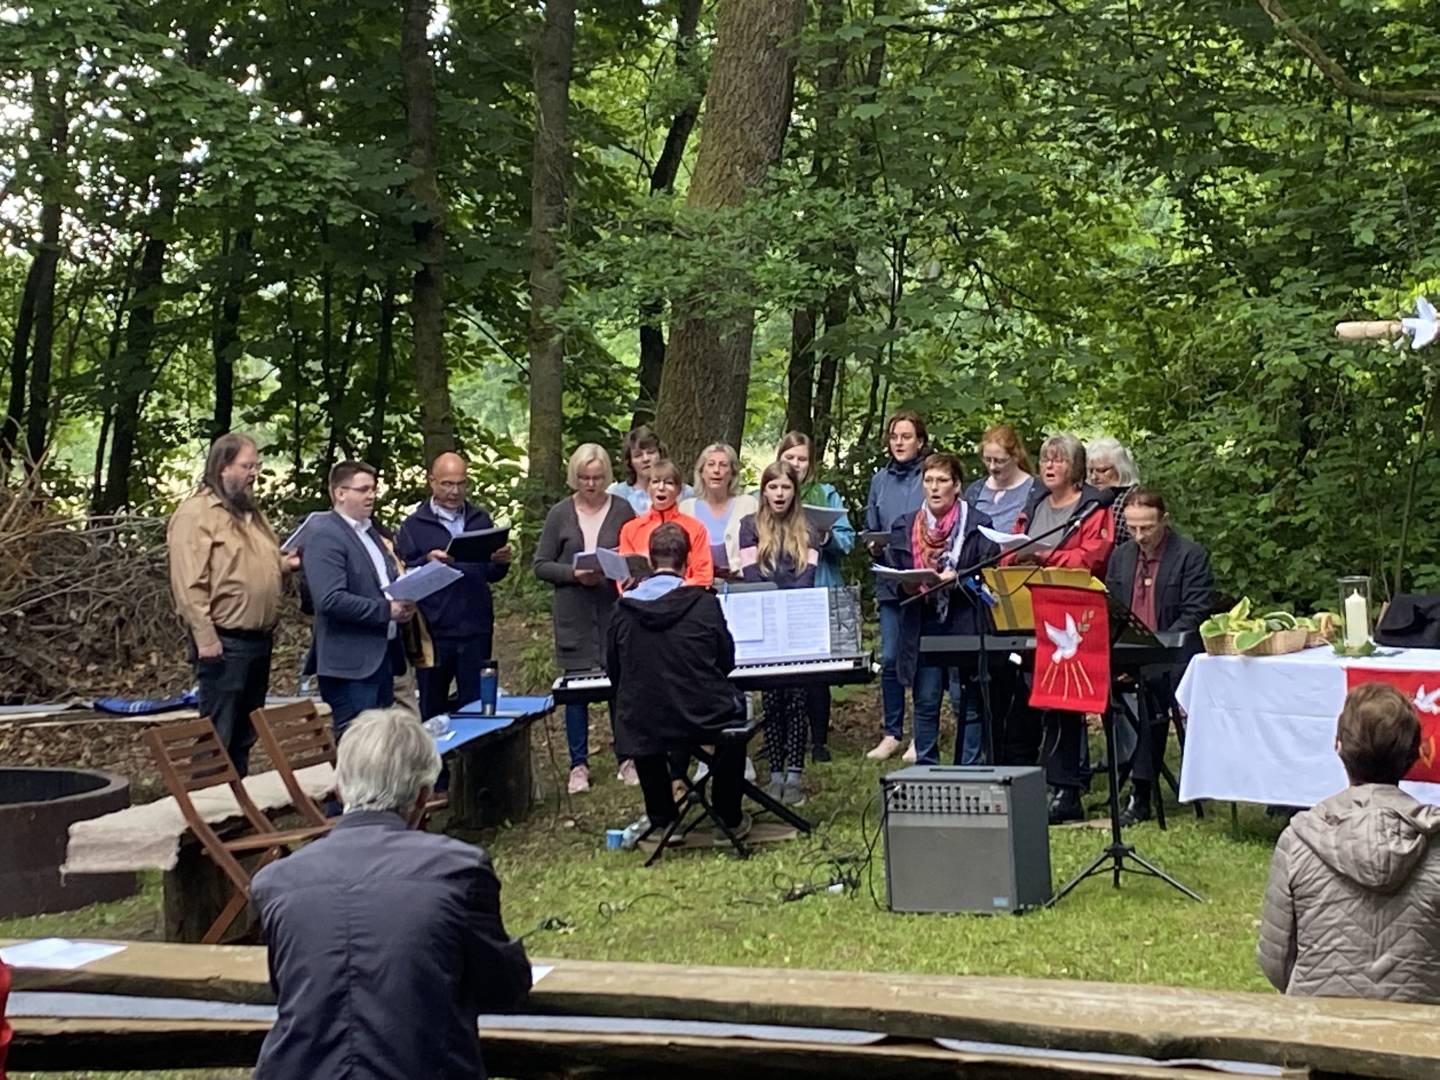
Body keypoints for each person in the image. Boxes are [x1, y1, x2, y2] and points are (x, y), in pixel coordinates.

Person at [251, 707, 531, 1078]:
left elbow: (290, 986)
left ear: (339, 791)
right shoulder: (459, 871)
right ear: (422, 797)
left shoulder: (276, 883)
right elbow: (503, 986)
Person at [1258, 683, 1440, 1004]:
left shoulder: (1299, 841)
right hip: (1424, 1033)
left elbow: (1277, 962)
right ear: (1415, 754)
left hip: (1320, 1030)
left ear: (1338, 746)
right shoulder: (1434, 841)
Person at [606, 524, 751, 841]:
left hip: (646, 719)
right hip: (704, 715)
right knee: (735, 718)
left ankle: (664, 819)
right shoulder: (704, 603)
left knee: (639, 717)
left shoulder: (623, 609)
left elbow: (614, 670)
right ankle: (728, 817)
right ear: (687, 562)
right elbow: (726, 661)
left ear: (650, 560)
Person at [167, 432, 298, 776]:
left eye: (257, 465)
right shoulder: (197, 514)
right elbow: (188, 581)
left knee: (245, 732)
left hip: (259, 638)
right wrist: (204, 635)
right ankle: (208, 813)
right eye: (247, 465)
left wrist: (285, 565)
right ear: (223, 467)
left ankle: (236, 809)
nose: (254, 472)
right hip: (224, 642)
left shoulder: (249, 512)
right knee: (217, 733)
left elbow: (251, 563)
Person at [1002, 434, 1115, 823]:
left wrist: (1048, 556)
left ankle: (1067, 788)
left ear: (1076, 468)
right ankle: (1028, 780)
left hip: (1074, 617)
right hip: (1030, 610)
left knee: (1064, 700)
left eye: (1059, 461)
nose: (1049, 467)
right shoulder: (1034, 505)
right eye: (1046, 460)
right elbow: (1012, 550)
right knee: (1023, 695)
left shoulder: (1093, 509)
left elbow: (1093, 557)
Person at [1103, 487, 1213, 824]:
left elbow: (1194, 614)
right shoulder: (1121, 556)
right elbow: (1110, 609)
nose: (1140, 536)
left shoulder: (1189, 555)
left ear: (1164, 520)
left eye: (1147, 528)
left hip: (1172, 658)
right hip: (1126, 652)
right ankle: (1065, 787)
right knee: (1065, 681)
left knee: (1151, 694)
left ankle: (1140, 791)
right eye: (1133, 528)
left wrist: (1154, 647)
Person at [533, 444, 635, 795]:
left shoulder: (622, 509)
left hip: (612, 607)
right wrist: (573, 574)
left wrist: (617, 569)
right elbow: (541, 564)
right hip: (573, 611)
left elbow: (634, 555)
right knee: (576, 691)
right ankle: (578, 765)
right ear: (574, 477)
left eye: (597, 478)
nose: (591, 484)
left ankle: (628, 756)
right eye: (584, 478)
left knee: (619, 685)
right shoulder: (560, 513)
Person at [886, 453, 1000, 766]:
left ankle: (970, 767)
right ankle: (926, 767)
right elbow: (894, 574)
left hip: (964, 620)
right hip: (923, 621)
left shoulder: (979, 525)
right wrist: (907, 584)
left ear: (957, 486)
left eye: (942, 481)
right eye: (929, 481)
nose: (935, 488)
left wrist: (958, 579)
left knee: (967, 700)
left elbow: (988, 574)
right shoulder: (906, 525)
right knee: (925, 698)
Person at [302, 461, 416, 738]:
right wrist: (386, 610)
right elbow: (330, 599)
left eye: (373, 489)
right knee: (359, 747)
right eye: (363, 489)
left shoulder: (370, 533)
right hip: (350, 664)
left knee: (381, 748)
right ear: (340, 493)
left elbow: (382, 584)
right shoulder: (326, 536)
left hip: (382, 657)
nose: (371, 495)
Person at [395, 452, 512, 721]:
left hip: (475, 626)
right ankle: (436, 762)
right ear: (431, 482)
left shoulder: (479, 519)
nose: (454, 491)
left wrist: (501, 561)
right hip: (434, 630)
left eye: (461, 483)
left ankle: (473, 761)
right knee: (432, 707)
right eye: (447, 484)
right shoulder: (414, 526)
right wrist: (428, 562)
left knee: (476, 705)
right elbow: (403, 576)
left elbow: (491, 574)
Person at [740, 461, 821, 805]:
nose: (779, 494)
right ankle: (774, 772)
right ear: (764, 491)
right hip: (765, 622)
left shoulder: (810, 528)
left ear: (794, 491)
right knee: (772, 699)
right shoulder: (749, 526)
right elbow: (749, 573)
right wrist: (772, 604)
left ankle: (795, 774)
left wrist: (790, 607)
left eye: (785, 487)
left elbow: (808, 577)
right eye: (773, 487)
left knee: (798, 698)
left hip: (799, 622)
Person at [775, 431, 855, 763]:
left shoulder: (826, 494)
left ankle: (819, 738)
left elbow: (847, 542)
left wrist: (824, 537)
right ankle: (779, 735)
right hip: (779, 590)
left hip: (818, 588)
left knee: (816, 668)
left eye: (802, 458)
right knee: (778, 668)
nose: (795, 464)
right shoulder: (769, 491)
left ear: (812, 463)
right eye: (790, 457)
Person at [864, 410, 929, 761]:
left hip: (922, 582)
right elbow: (871, 523)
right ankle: (892, 732)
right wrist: (873, 542)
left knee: (918, 657)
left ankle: (922, 735)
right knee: (889, 658)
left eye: (906, 436)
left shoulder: (929, 477)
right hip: (889, 578)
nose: (899, 443)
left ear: (920, 441)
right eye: (894, 437)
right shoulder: (880, 481)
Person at [617, 458, 713, 588]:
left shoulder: (696, 528)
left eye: (669, 483)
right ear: (647, 488)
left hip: (683, 600)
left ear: (679, 490)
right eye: (655, 482)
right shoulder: (630, 529)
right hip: (642, 602)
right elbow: (622, 579)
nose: (661, 488)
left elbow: (703, 576)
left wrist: (673, 591)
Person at [679, 443, 757, 581]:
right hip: (697, 585)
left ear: (732, 473)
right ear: (701, 472)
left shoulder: (748, 505)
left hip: (740, 584)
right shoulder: (685, 508)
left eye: (723, 465)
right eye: (711, 464)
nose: (716, 470)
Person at [964, 423, 1035, 534]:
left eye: (1000, 461)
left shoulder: (1034, 491)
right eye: (987, 460)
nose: (992, 467)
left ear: (1015, 456)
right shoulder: (975, 491)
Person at [606, 425, 692, 514]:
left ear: (660, 454)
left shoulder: (685, 493)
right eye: (638, 455)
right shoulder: (618, 495)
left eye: (651, 452)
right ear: (630, 461)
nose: (645, 459)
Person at [1086, 436, 1140, 547]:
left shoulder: (1134, 499)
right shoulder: (1088, 498)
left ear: (1120, 468)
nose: (1093, 477)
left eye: (1102, 470)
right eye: (1090, 471)